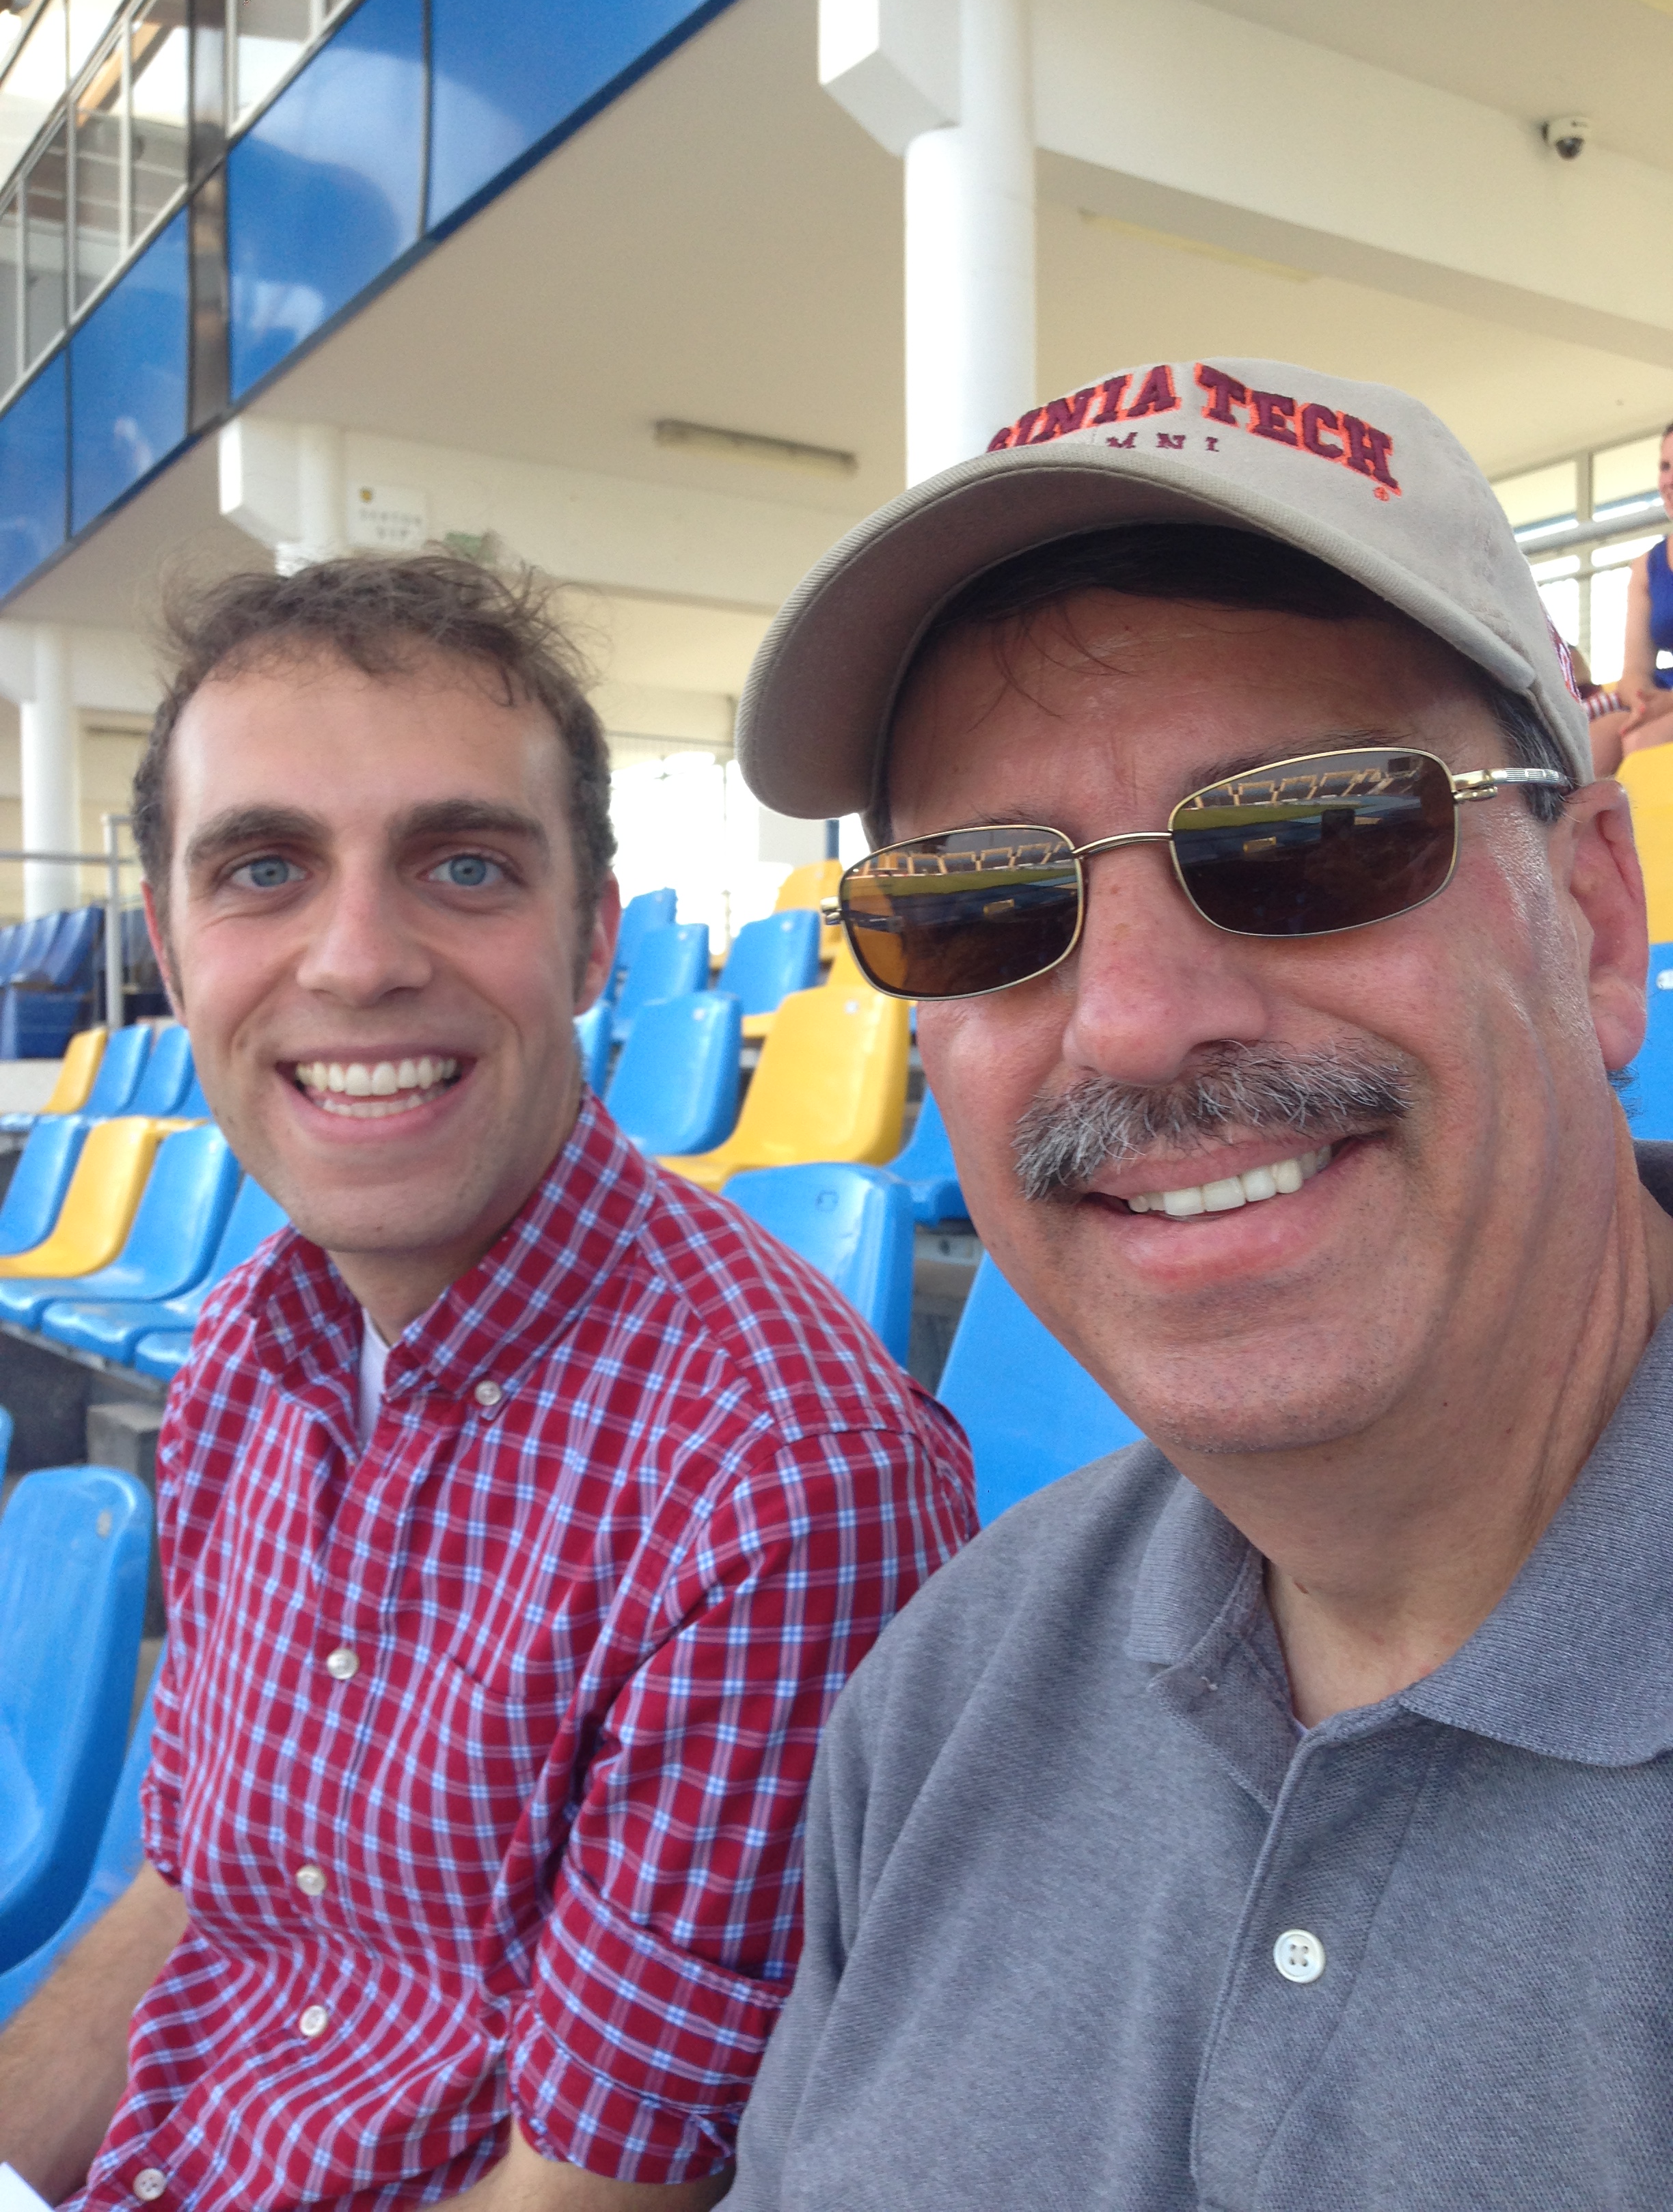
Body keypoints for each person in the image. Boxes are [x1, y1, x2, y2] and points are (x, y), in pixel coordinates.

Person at [724, 357, 1673, 2207]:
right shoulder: (946, 1686)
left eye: (1308, 831)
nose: (1133, 1020)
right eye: (980, 901)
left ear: (1590, 922)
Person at [0, 556, 974, 2210]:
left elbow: (602, 2182)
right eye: (262, 870)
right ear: (169, 945)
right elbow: (196, 1885)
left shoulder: (779, 1479)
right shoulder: (243, 1352)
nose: (356, 960)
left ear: (593, 938)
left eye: (464, 866)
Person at [1593, 417, 1673, 773]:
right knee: (1590, 748)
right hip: (1663, 694)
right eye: (1665, 466)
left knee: (1642, 742)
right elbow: (1635, 670)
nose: (1669, 480)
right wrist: (1642, 703)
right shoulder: (1646, 566)